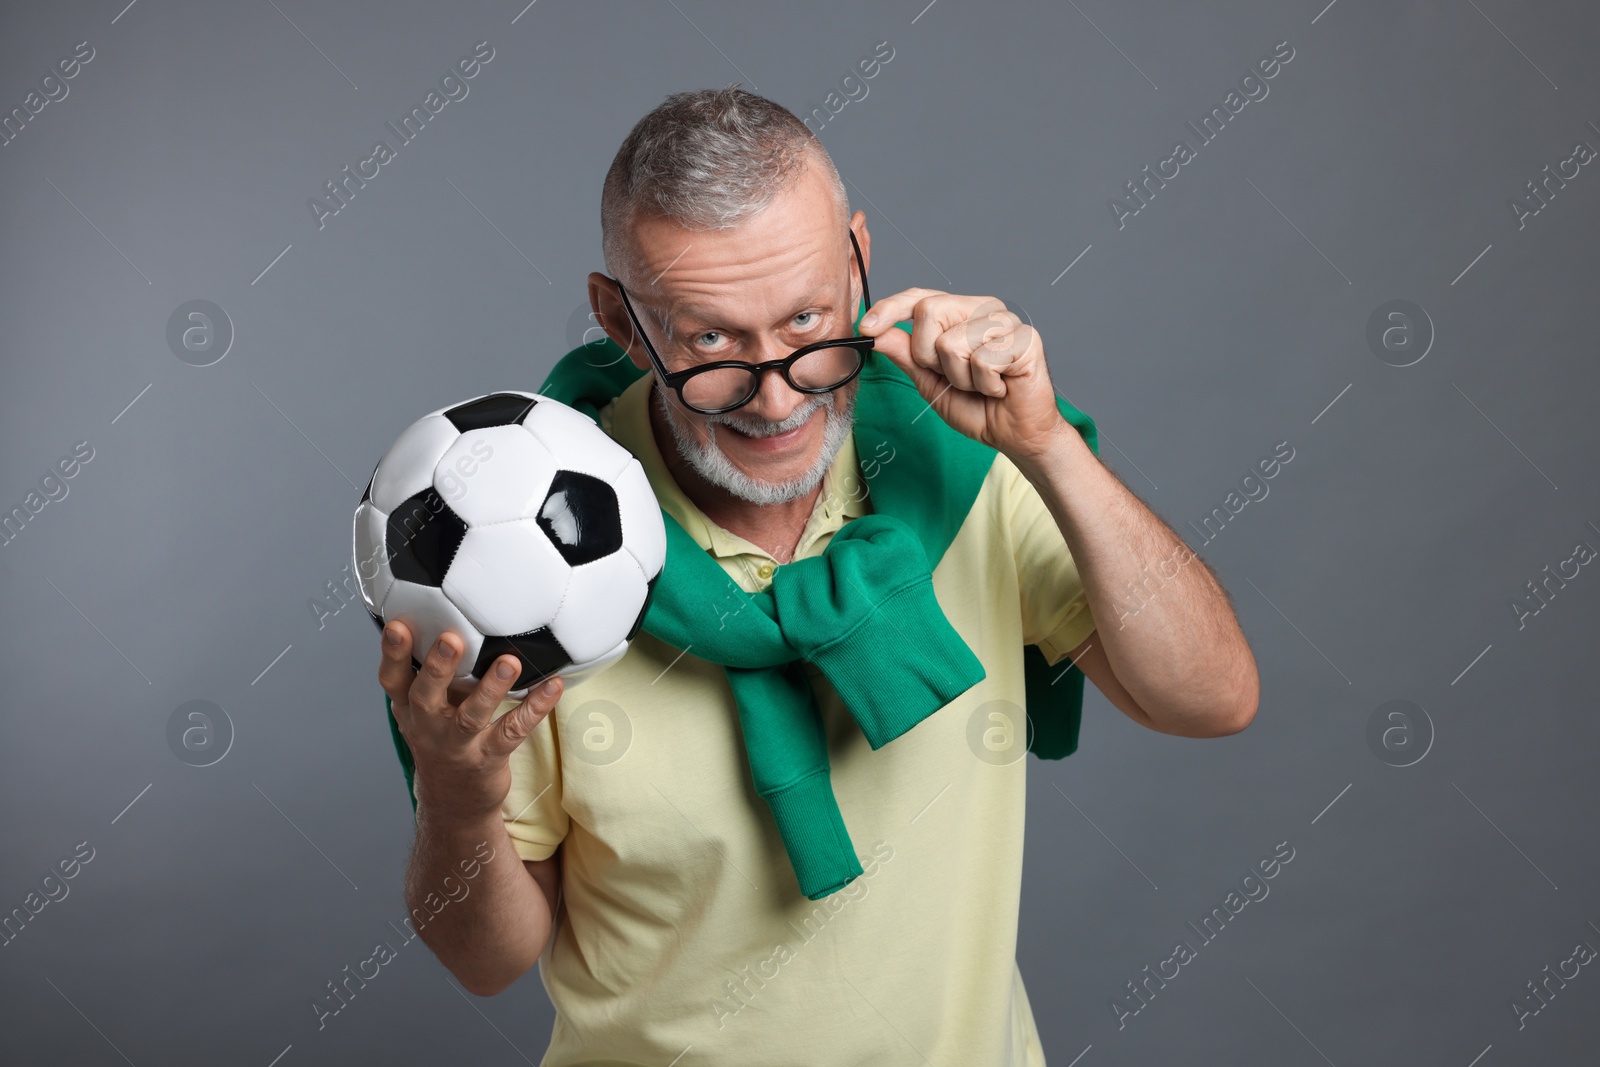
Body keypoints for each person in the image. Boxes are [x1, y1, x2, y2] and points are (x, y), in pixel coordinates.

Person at [377, 84, 1258, 1065]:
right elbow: (490, 958)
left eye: (807, 322)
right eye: (711, 340)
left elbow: (1209, 697)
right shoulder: (513, 560)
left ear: (859, 259)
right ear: (619, 322)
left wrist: (1050, 448)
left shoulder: (962, 462)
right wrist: (458, 796)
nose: (777, 395)